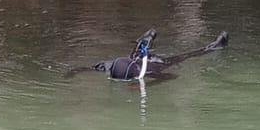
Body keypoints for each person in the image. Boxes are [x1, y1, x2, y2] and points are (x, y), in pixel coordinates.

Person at [64, 29, 230, 83]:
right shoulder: (113, 67)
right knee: (137, 53)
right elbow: (172, 76)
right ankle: (148, 38)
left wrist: (71, 73)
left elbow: (171, 76)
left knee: (185, 56)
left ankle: (214, 47)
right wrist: (72, 72)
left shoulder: (111, 67)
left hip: (154, 61)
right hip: (143, 61)